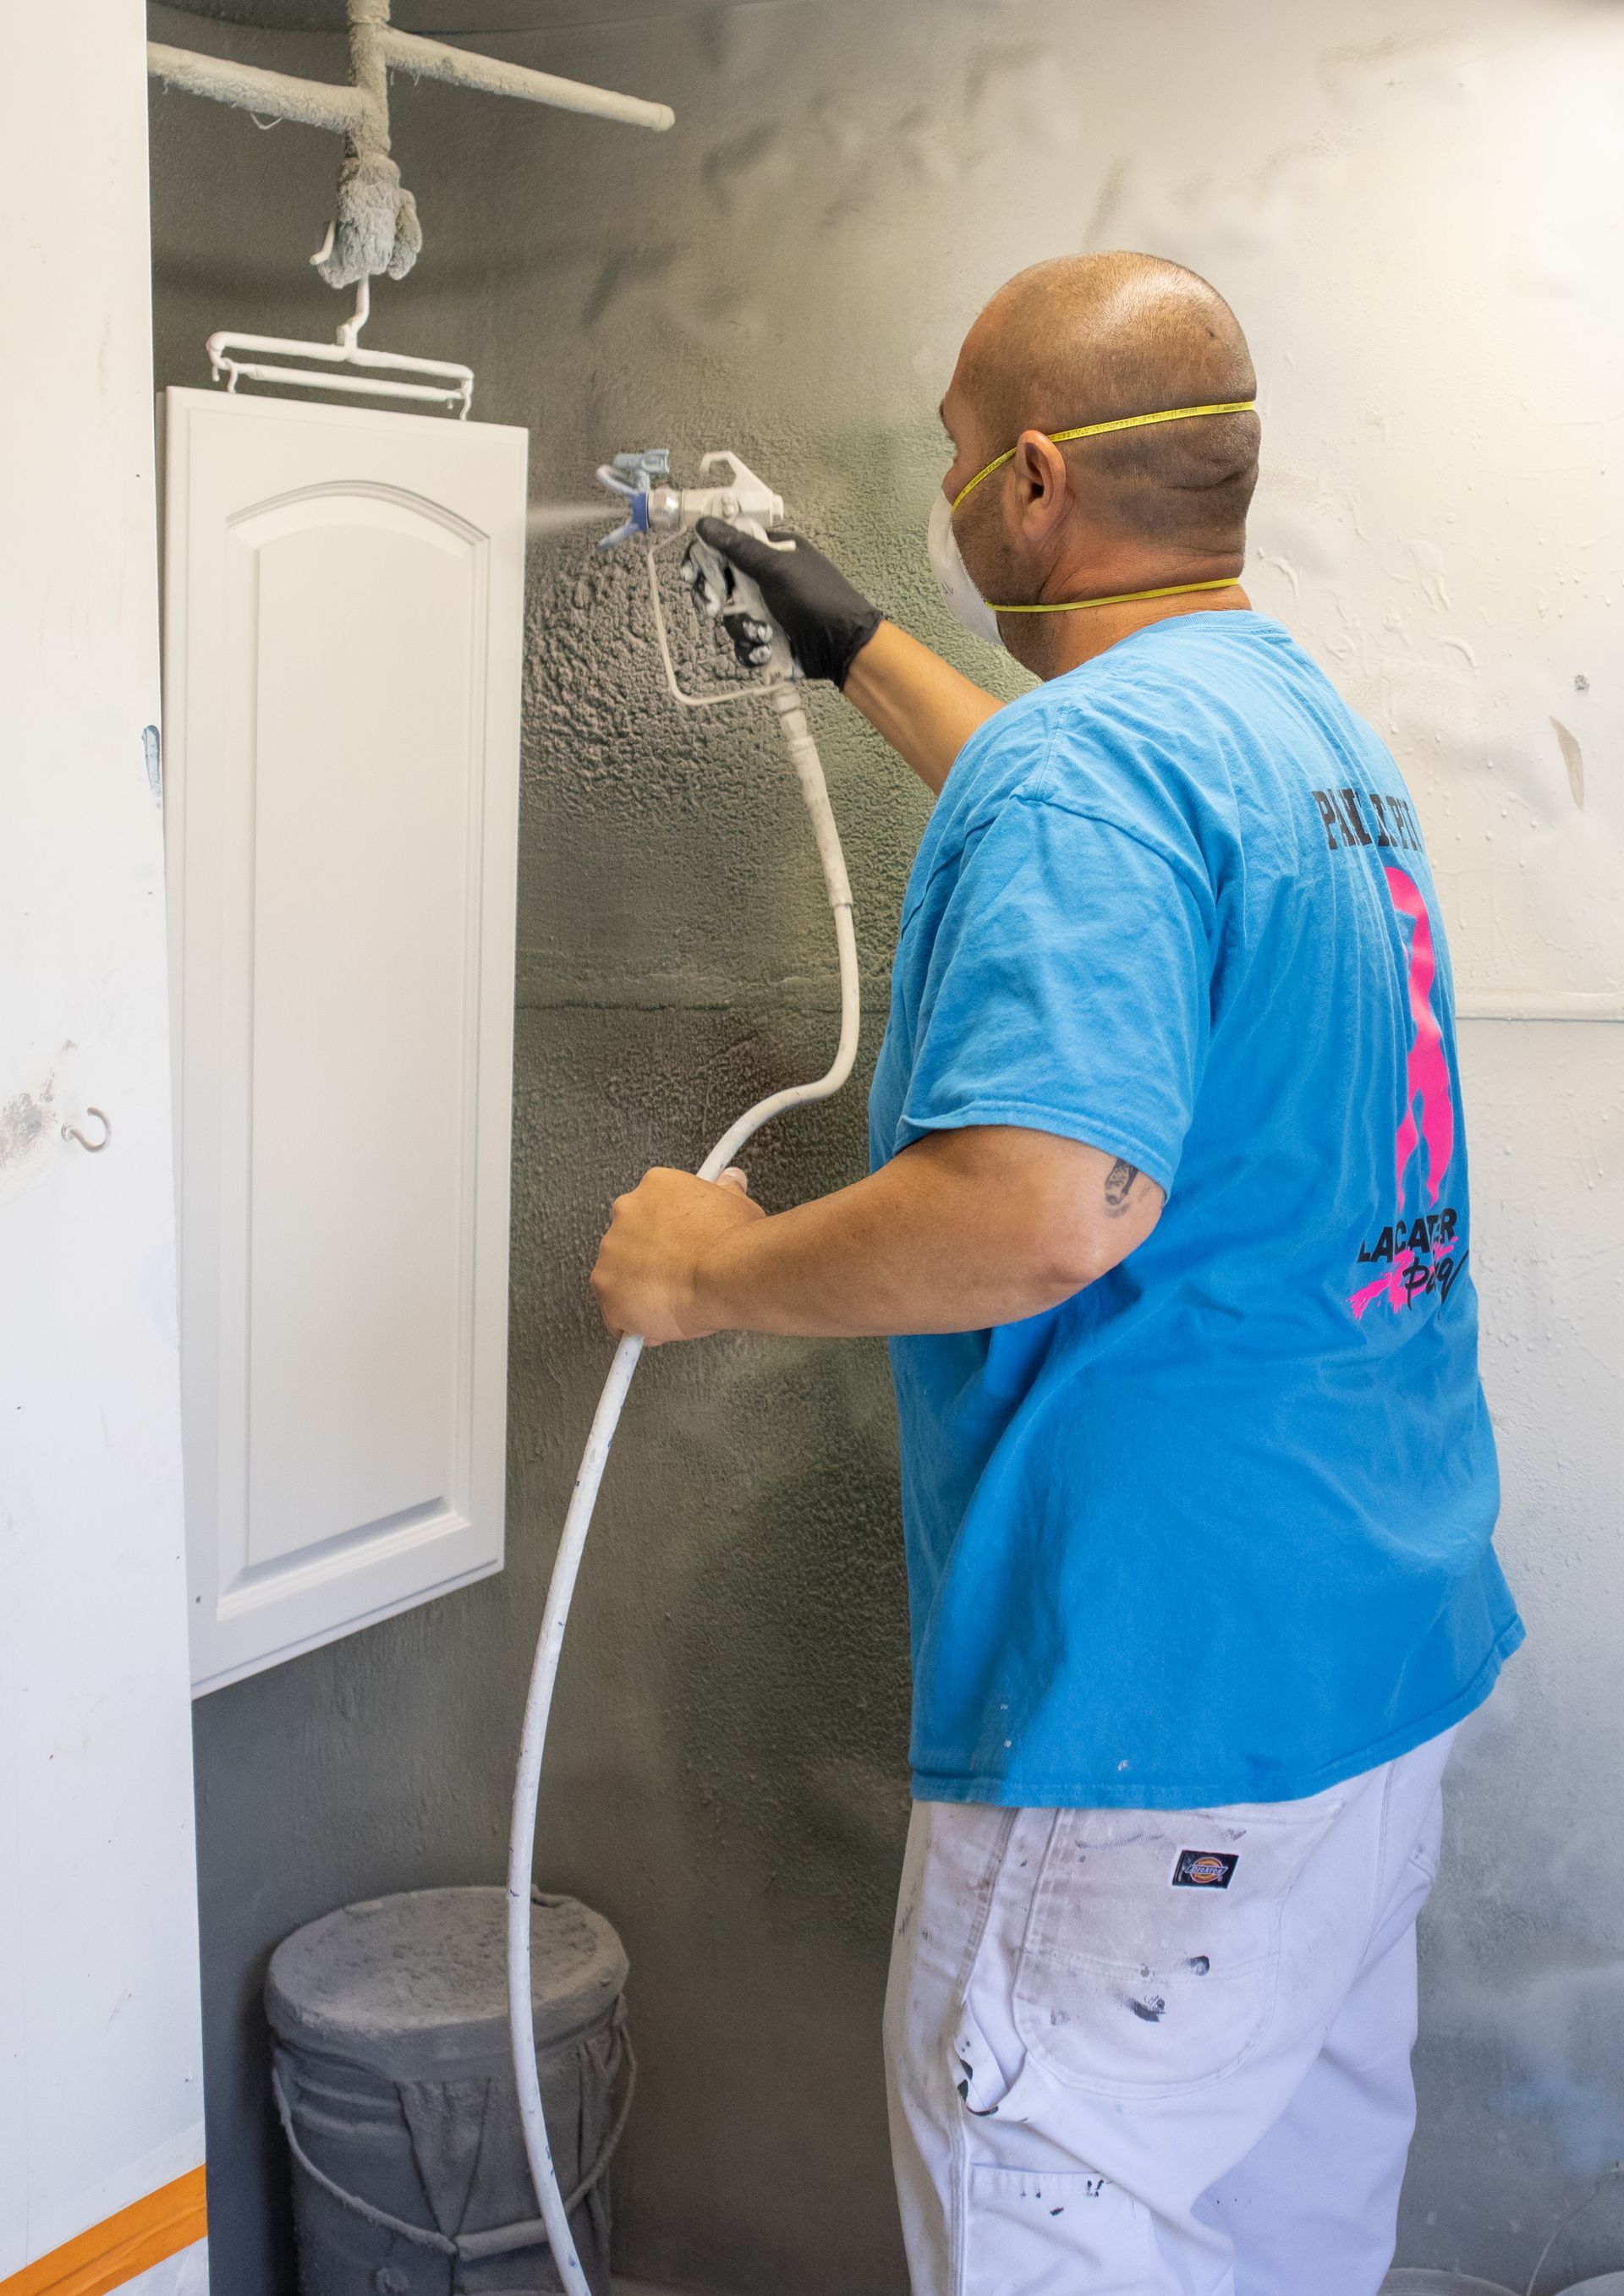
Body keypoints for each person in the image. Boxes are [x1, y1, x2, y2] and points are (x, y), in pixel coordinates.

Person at [587, 251, 1522, 2295]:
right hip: (1358, 1674)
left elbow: (1044, 1205)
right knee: (1277, 2245)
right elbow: (1072, 797)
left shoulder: (1088, 774)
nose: (938, 499)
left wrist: (709, 1273)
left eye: (946, 462)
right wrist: (847, 645)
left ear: (1030, 481)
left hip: (1151, 1716)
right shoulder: (1294, 734)